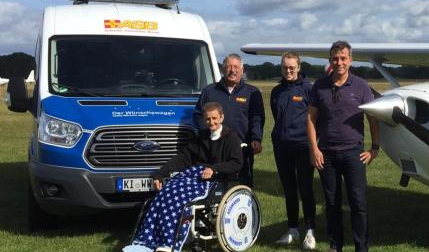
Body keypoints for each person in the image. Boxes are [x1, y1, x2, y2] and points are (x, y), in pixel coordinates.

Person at [123, 102, 243, 252]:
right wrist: (160, 174)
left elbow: (236, 163)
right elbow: (183, 158)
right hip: (193, 176)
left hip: (214, 180)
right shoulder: (202, 137)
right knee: (164, 195)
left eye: (214, 118)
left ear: (222, 117)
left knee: (179, 200)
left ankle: (169, 243)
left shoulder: (231, 138)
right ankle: (146, 240)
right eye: (208, 119)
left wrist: (214, 168)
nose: (211, 122)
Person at [306, 40, 380, 252]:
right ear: (330, 60)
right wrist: (314, 149)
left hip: (354, 154)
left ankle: (361, 247)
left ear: (350, 60)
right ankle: (335, 245)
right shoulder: (319, 86)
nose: (339, 62)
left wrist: (375, 148)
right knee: (331, 203)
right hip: (327, 154)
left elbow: (373, 119)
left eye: (343, 58)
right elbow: (310, 119)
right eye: (335, 58)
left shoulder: (361, 86)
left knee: (358, 204)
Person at [194, 53, 265, 187]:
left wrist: (256, 138)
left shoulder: (252, 92)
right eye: (228, 67)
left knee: (243, 187)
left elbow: (257, 118)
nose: (232, 70)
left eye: (236, 67)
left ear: (242, 70)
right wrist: (209, 135)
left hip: (242, 148)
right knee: (214, 187)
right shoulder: (209, 91)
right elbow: (198, 115)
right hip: (215, 149)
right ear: (222, 69)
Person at [270, 52, 316, 249]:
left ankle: (310, 232)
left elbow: (314, 119)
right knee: (289, 190)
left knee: (305, 188)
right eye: (284, 68)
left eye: (291, 67)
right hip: (282, 146)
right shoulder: (276, 91)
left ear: (298, 67)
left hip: (303, 146)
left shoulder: (308, 89)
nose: (288, 71)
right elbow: (276, 115)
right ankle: (292, 230)